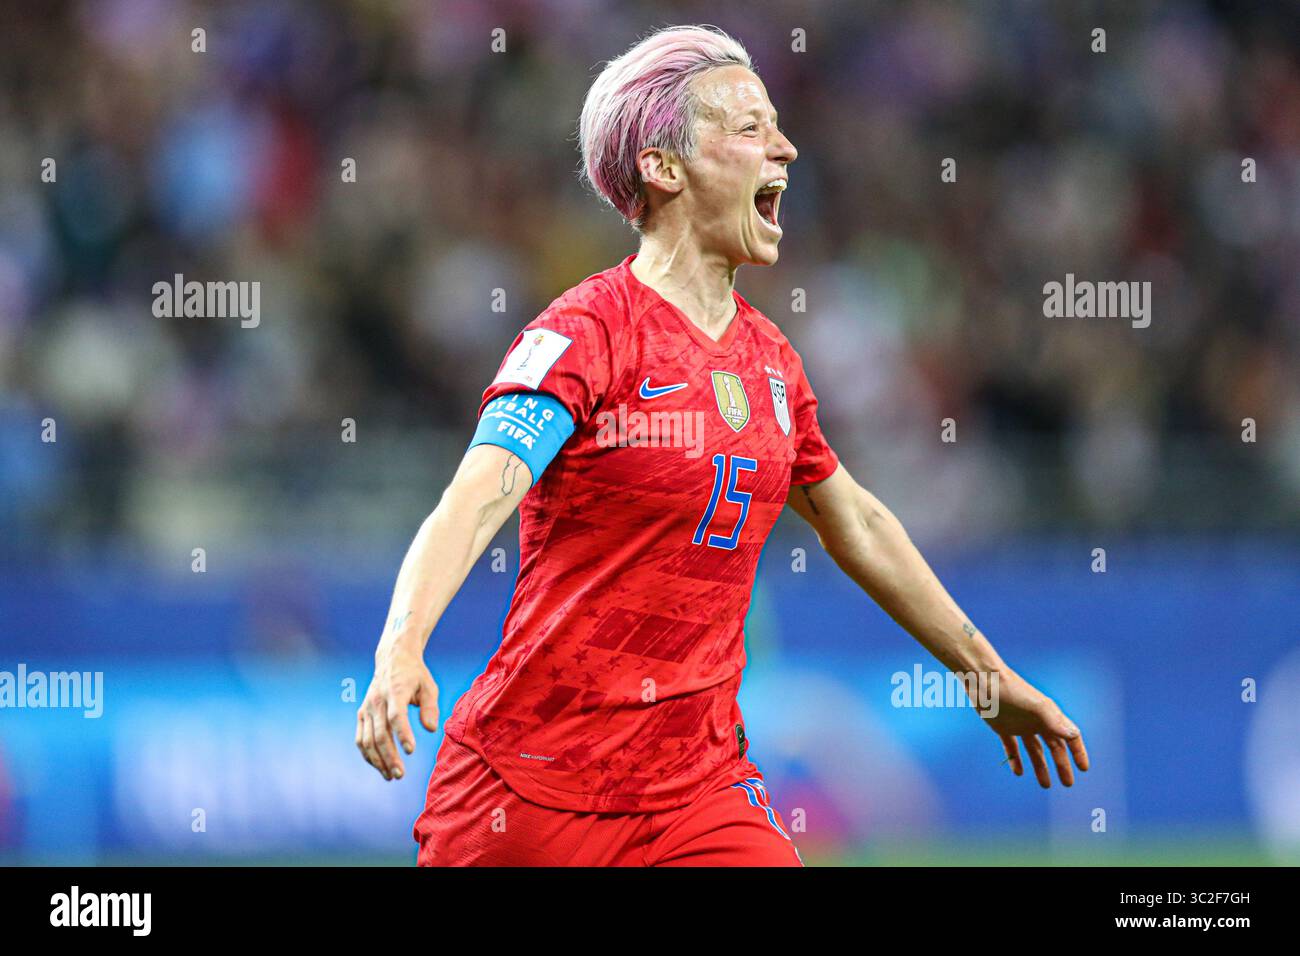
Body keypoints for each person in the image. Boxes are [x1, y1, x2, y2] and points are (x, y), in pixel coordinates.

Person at [355, 24, 1089, 866]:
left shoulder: (772, 363)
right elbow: (477, 495)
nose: (785, 146)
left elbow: (857, 524)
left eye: (776, 123)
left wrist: (982, 676)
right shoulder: (587, 332)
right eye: (748, 128)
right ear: (664, 168)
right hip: (526, 793)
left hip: (699, 793)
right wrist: (401, 646)